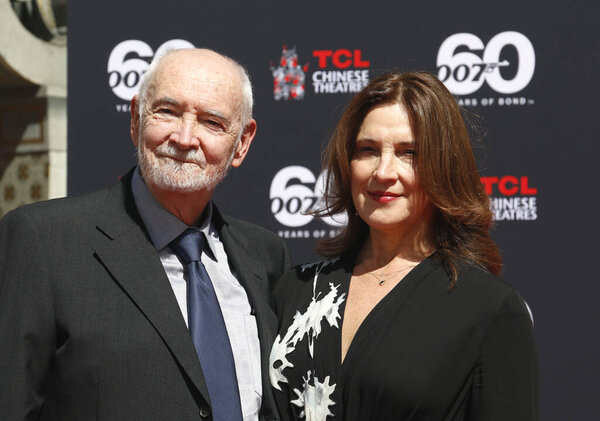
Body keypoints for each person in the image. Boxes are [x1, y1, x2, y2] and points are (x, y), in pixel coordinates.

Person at [0, 48, 290, 421]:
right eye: (167, 112)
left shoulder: (267, 257)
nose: (185, 138)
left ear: (242, 143)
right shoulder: (42, 241)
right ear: (136, 118)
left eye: (211, 122)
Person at [269, 72, 538, 420]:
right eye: (367, 150)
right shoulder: (297, 289)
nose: (383, 172)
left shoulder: (488, 308)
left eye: (408, 152)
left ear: (444, 165)